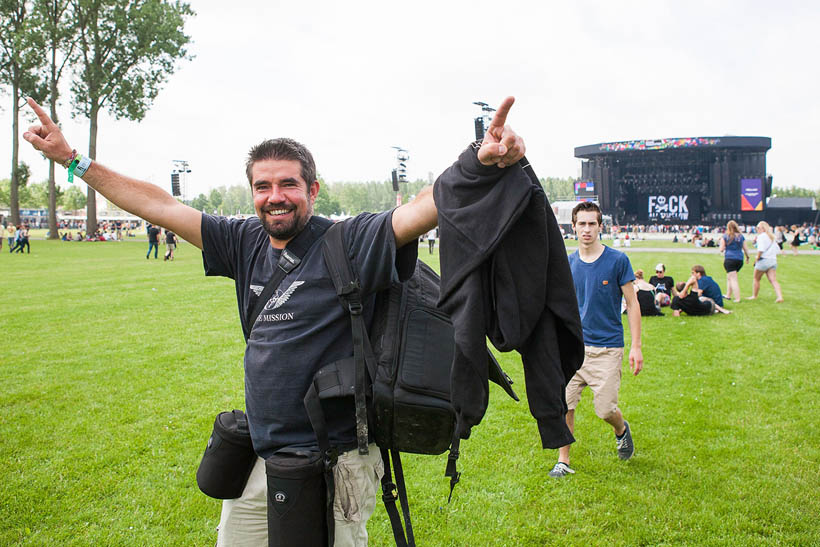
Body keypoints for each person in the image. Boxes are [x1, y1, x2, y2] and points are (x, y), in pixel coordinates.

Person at [23, 95, 526, 546]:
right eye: (263, 186)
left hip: (337, 462)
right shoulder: (243, 242)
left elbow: (417, 210)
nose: (275, 196)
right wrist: (73, 160)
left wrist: (476, 165)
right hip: (263, 455)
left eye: (289, 183)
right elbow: (159, 204)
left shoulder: (348, 241)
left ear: (313, 188)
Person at [549, 201, 643, 478]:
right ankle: (563, 460)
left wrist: (635, 346)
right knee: (564, 404)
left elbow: (633, 303)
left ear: (601, 227)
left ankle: (621, 429)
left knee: (605, 410)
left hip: (607, 349)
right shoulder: (568, 263)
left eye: (592, 223)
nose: (587, 229)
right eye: (582, 224)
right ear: (574, 227)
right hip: (574, 348)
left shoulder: (617, 261)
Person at [748, 221, 784, 303]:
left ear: (763, 228)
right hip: (772, 260)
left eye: (758, 228)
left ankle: (754, 295)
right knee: (773, 280)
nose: (757, 229)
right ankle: (779, 296)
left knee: (756, 279)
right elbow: (777, 249)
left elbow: (760, 250)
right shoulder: (771, 237)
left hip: (763, 260)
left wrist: (757, 258)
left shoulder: (761, 237)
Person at [718, 220, 750, 302]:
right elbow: (745, 248)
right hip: (739, 259)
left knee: (733, 279)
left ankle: (737, 298)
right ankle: (728, 295)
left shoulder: (725, 236)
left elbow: (721, 249)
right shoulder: (741, 237)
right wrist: (747, 257)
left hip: (730, 258)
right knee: (730, 277)